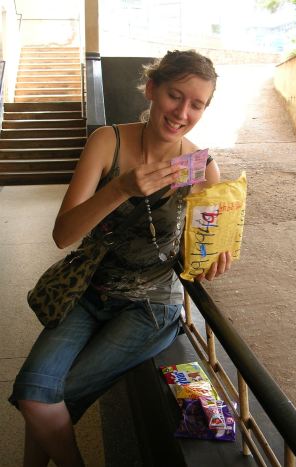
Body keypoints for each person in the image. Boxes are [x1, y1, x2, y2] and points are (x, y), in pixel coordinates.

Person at [9, 49, 232, 467]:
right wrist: (121, 189)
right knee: (38, 400)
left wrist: (211, 256)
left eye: (196, 104)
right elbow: (63, 235)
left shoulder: (196, 166)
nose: (182, 112)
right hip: (90, 292)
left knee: (40, 399)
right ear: (151, 90)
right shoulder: (109, 142)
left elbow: (197, 251)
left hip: (150, 309)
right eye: (174, 95)